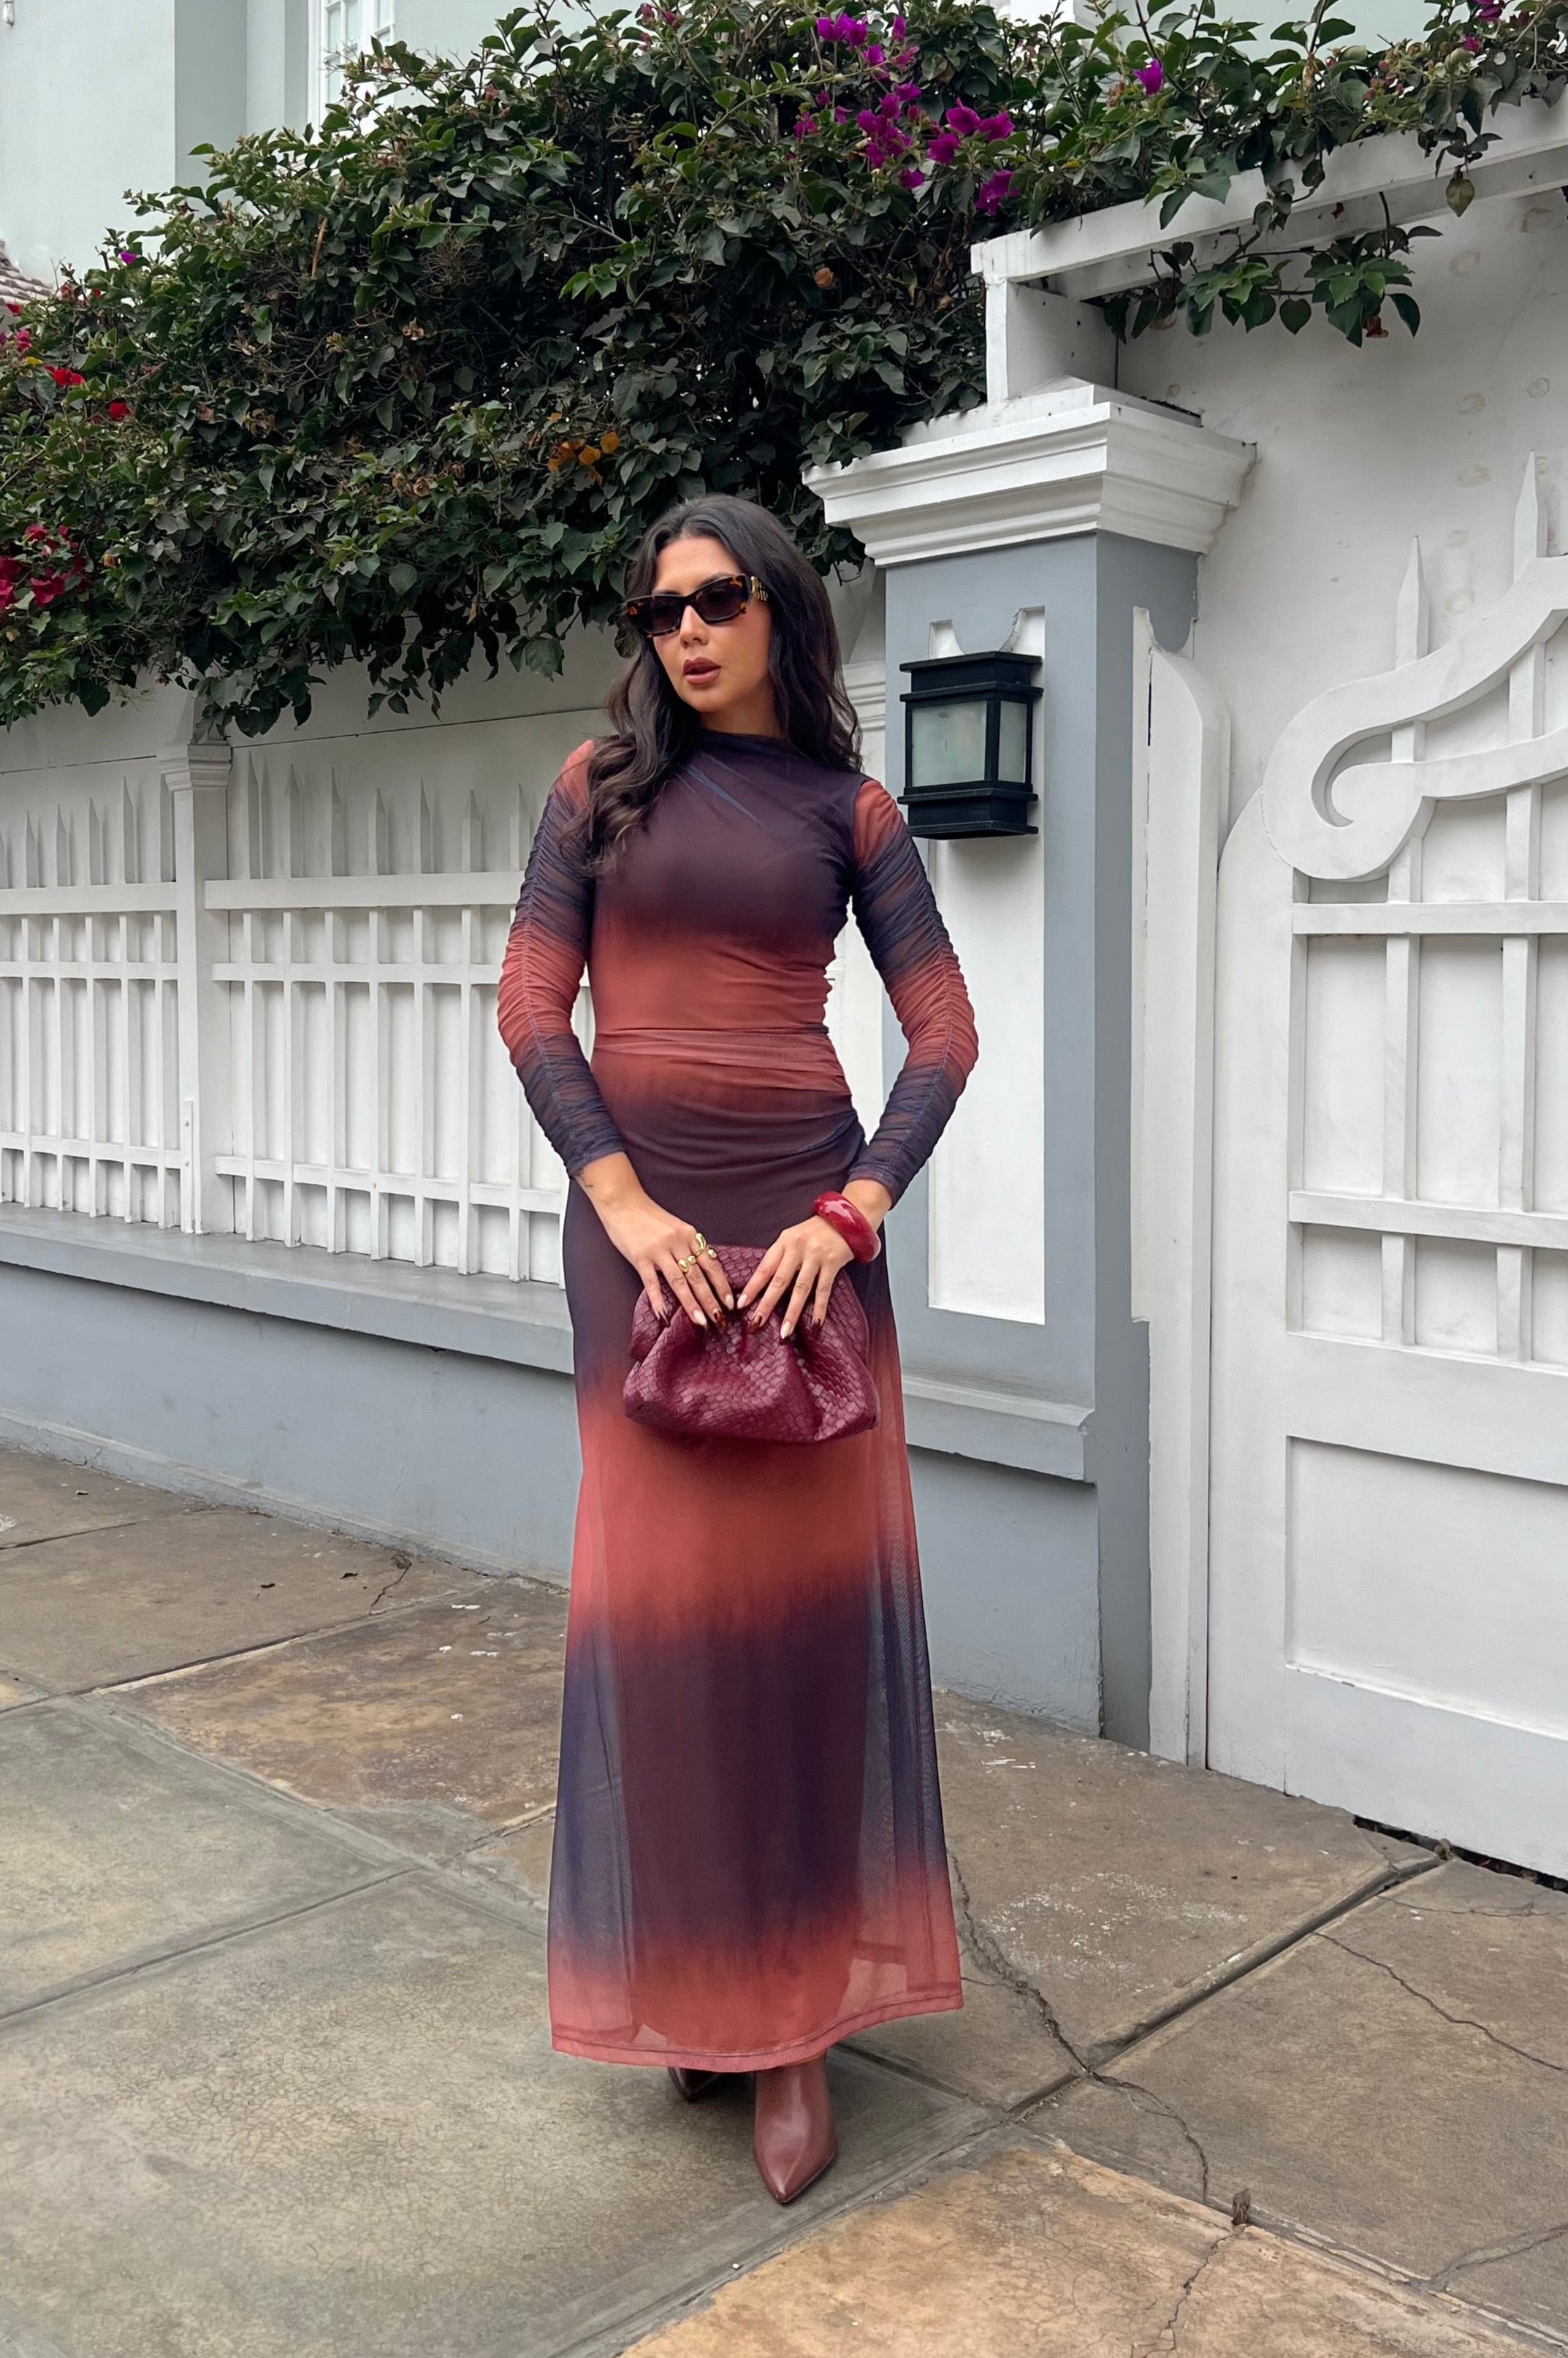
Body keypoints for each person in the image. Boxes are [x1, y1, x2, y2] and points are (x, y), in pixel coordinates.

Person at [497, 492, 978, 2205]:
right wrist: (622, 1205)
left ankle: (789, 2033)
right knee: (666, 1631)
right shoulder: (596, 788)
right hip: (640, 1244)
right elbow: (530, 1006)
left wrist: (851, 1216)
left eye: (714, 601)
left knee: (793, 1635)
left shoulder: (851, 813)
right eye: (658, 611)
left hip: (800, 1246)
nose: (685, 633)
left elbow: (942, 1033)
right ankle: (697, 1981)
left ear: (780, 609)